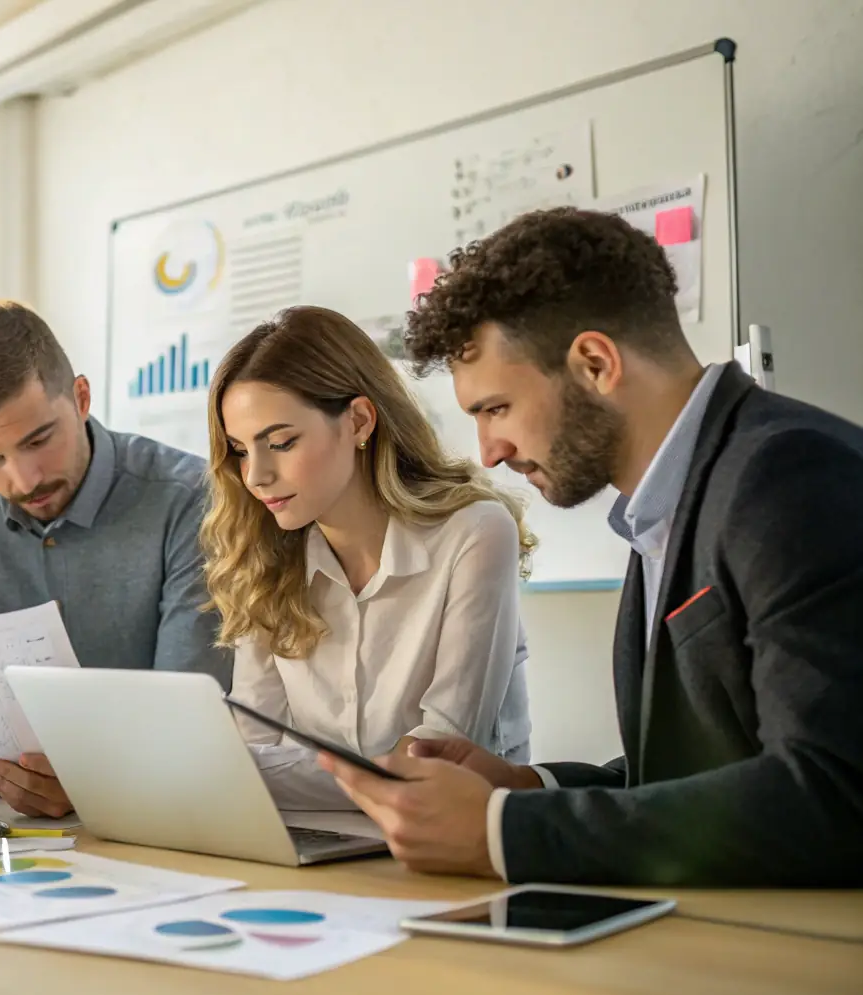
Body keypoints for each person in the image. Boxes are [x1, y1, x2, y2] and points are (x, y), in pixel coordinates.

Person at [320, 207, 863, 887]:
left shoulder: (784, 479)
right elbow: (693, 779)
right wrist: (521, 788)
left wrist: (501, 834)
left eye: (494, 409)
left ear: (595, 364)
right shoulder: (673, 498)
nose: (489, 453)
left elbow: (833, 790)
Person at [0, 300, 232, 819]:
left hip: (159, 818)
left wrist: (99, 781)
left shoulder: (188, 499)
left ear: (81, 398)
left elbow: (194, 713)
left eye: (38, 439)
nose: (24, 480)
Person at [202, 305, 533, 810]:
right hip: (315, 843)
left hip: (452, 842)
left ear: (359, 421)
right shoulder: (265, 555)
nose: (256, 476)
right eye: (241, 450)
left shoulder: (475, 532)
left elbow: (434, 758)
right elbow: (248, 749)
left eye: (281, 442)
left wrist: (269, 773)